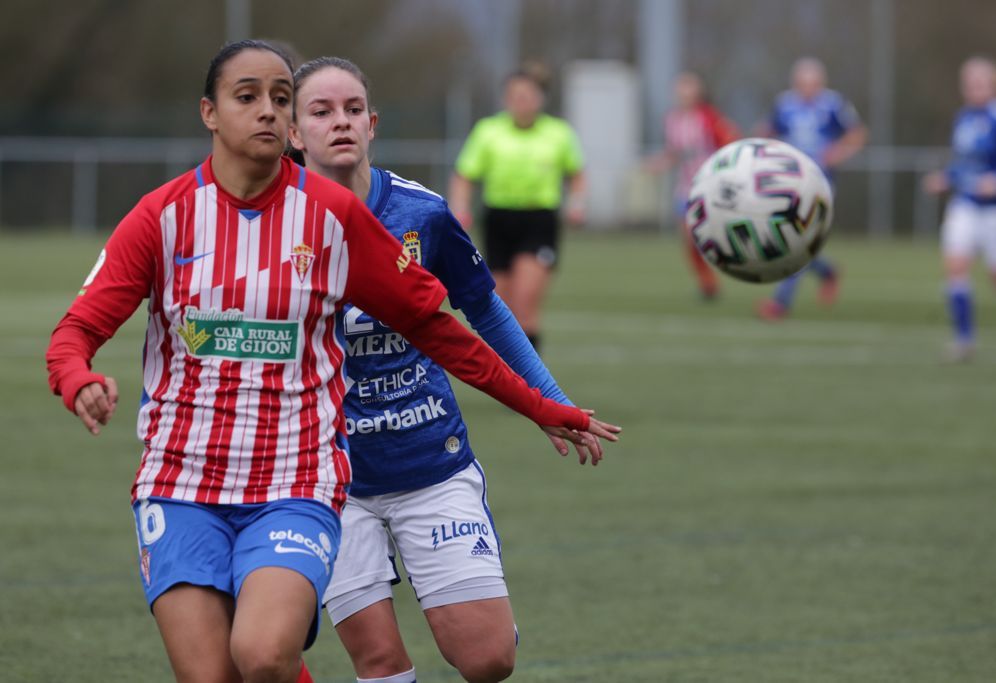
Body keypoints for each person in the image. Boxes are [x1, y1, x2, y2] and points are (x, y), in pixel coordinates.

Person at [45, 40, 619, 683]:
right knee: (229, 672)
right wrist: (78, 379)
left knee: (292, 656)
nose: (271, 111)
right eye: (250, 98)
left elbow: (445, 327)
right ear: (212, 113)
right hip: (192, 480)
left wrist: (544, 403)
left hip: (321, 476)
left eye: (282, 99)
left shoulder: (352, 219)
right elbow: (76, 331)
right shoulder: (164, 216)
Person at [287, 56, 602, 683]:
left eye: (353, 110)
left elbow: (486, 310)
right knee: (378, 659)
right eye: (320, 112)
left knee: (488, 660)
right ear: (294, 132)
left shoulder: (422, 216)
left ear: (373, 123)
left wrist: (548, 399)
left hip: (431, 461)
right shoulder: (275, 223)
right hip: (328, 478)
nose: (339, 122)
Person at [448, 66, 586, 353]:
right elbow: (464, 174)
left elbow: (576, 174)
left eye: (528, 95)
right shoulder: (488, 131)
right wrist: (459, 208)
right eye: (515, 95)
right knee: (502, 307)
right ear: (505, 99)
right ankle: (510, 378)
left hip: (538, 221)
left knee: (525, 302)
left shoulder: (558, 133)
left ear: (540, 99)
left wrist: (576, 203)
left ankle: (532, 383)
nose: (521, 101)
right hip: (498, 221)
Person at [923, 56, 996, 361]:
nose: (973, 88)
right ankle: (964, 340)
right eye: (968, 83)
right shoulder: (964, 118)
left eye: (979, 82)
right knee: (955, 266)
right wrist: (946, 177)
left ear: (992, 84)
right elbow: (963, 162)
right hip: (966, 205)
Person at [757, 57, 868, 320]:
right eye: (802, 83)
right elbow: (767, 131)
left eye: (812, 83)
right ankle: (827, 271)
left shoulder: (833, 104)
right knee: (793, 240)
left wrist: (838, 153)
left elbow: (857, 133)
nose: (807, 88)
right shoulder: (785, 104)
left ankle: (780, 303)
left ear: (821, 83)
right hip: (788, 182)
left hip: (821, 182)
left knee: (797, 239)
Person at [646, 71, 739, 300]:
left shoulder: (708, 117)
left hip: (711, 188)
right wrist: (659, 164)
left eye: (688, 87)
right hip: (685, 188)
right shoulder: (672, 120)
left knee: (712, 236)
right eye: (680, 88)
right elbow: (674, 153)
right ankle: (707, 282)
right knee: (689, 240)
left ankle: (722, 273)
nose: (683, 92)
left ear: (698, 92)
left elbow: (730, 141)